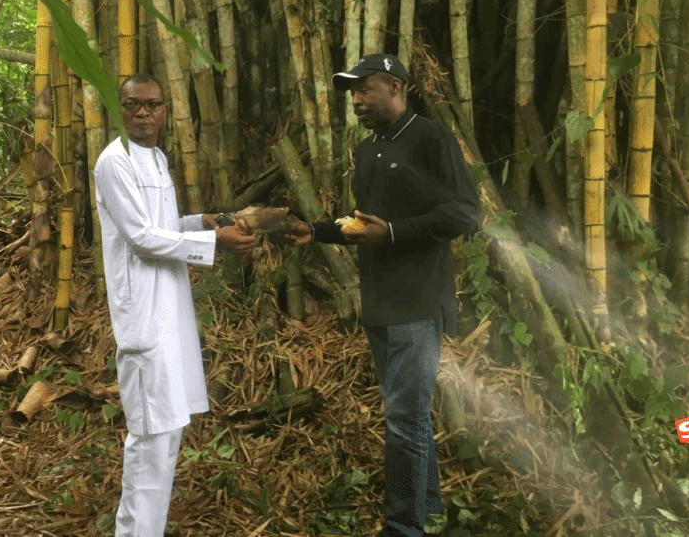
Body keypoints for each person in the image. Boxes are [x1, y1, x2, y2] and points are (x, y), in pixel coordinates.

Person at [281, 54, 479, 537]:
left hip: (417, 301)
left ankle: (402, 527)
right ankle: (428, 511)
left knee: (403, 420)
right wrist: (317, 231)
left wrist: (393, 232)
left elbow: (465, 213)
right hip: (380, 301)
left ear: (395, 86)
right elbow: (364, 223)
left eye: (364, 89)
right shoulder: (368, 149)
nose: (355, 100)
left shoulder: (431, 138)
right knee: (409, 417)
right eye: (352, 92)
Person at [94, 74, 256, 537]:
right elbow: (142, 239)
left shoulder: (158, 157)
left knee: (167, 434)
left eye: (152, 105)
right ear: (120, 109)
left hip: (170, 312)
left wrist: (199, 221)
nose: (143, 113)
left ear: (165, 110)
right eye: (133, 105)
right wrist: (216, 242)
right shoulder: (115, 161)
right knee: (150, 439)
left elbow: (161, 226)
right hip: (144, 316)